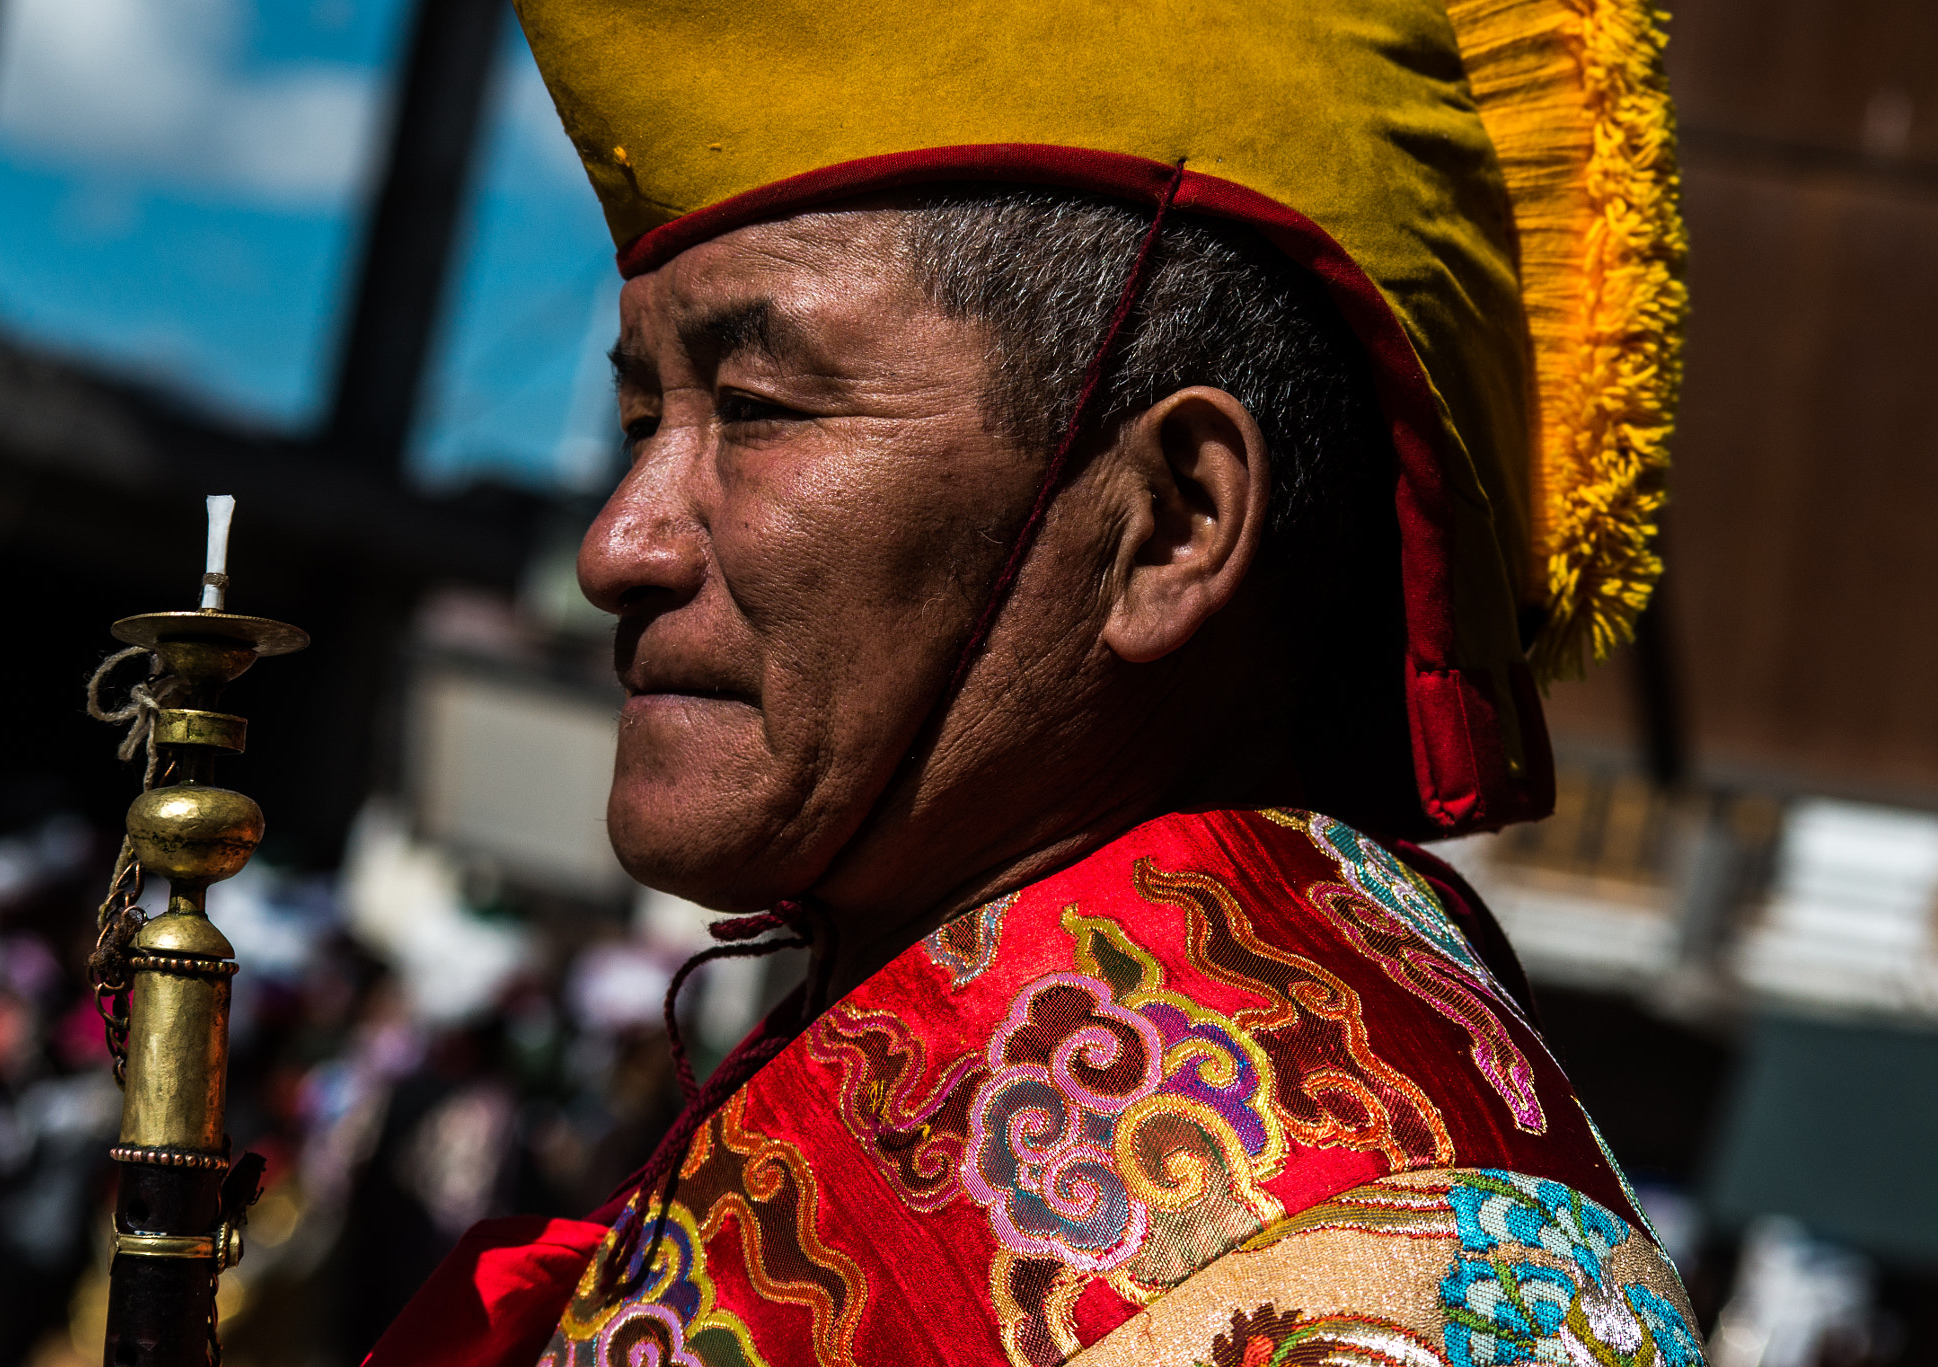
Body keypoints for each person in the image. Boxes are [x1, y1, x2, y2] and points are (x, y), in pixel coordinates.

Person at [367, 0, 1696, 1364]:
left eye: (759, 410)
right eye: (645, 418)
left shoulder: (1403, 1279)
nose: (616, 544)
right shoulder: (867, 1065)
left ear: (1170, 524)